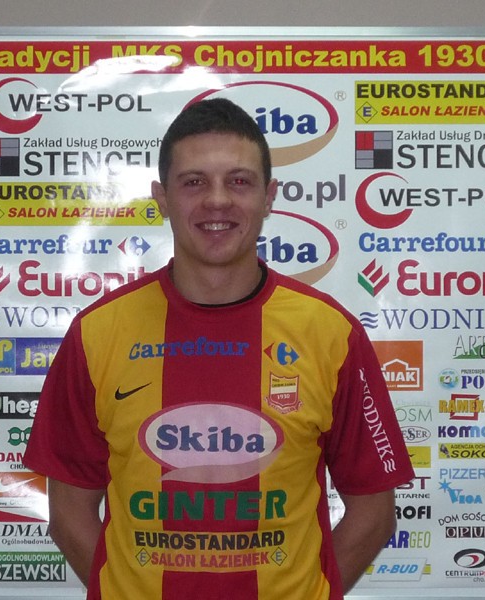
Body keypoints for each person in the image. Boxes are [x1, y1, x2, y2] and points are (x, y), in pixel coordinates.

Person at [23, 97, 415, 599]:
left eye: (239, 181)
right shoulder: (97, 333)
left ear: (269, 196)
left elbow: (374, 513)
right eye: (194, 182)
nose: (217, 200)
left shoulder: (330, 333)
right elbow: (68, 512)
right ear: (162, 198)